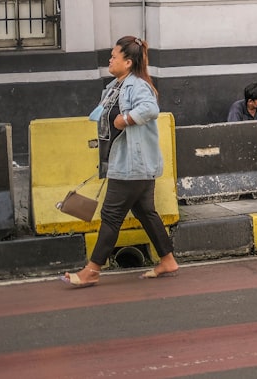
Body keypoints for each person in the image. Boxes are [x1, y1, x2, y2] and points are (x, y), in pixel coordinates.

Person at [61, 36, 179, 287]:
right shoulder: (116, 85)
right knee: (146, 212)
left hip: (132, 164)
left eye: (114, 56)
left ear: (127, 62)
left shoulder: (137, 86)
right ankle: (168, 260)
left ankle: (92, 270)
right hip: (127, 161)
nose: (110, 60)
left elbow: (149, 109)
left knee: (111, 215)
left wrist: (124, 119)